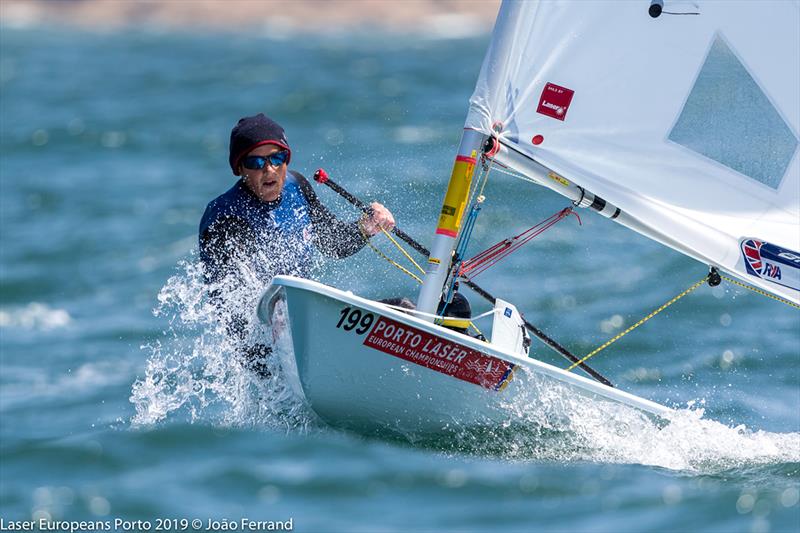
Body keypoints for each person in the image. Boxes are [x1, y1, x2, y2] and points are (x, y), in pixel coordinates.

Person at [199, 113, 395, 374]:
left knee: (409, 308)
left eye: (276, 158)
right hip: (263, 350)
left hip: (308, 329)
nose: (269, 169)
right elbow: (234, 308)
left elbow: (331, 243)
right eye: (256, 162)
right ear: (240, 168)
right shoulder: (225, 217)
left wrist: (365, 227)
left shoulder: (297, 186)